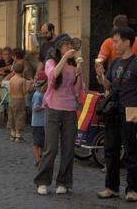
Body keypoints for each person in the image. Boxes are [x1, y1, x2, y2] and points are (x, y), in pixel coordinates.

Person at [34, 33, 83, 195]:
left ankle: (64, 182)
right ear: (60, 48)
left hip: (69, 109)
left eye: (71, 45)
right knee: (51, 147)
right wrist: (64, 59)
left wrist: (80, 74)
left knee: (68, 148)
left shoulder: (73, 64)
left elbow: (78, 90)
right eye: (67, 45)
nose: (70, 47)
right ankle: (42, 181)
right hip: (53, 108)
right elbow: (52, 76)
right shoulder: (50, 62)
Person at [95, 27, 137, 202]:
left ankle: (133, 189)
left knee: (131, 151)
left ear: (127, 42)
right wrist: (101, 77)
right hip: (113, 110)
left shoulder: (136, 62)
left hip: (130, 111)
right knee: (110, 149)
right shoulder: (114, 62)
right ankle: (111, 187)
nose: (114, 45)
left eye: (116, 41)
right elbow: (108, 86)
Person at [7, 62, 33, 143]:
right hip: (19, 100)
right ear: (23, 71)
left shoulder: (11, 79)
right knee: (19, 117)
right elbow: (24, 92)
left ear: (14, 70)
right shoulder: (22, 80)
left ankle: (12, 134)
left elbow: (10, 91)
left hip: (12, 100)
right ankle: (18, 136)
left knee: (11, 117)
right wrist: (30, 86)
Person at [31, 75, 47, 167]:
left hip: (42, 121)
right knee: (36, 142)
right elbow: (35, 108)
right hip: (38, 122)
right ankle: (37, 158)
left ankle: (40, 156)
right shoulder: (38, 95)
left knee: (42, 141)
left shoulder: (41, 94)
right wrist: (43, 106)